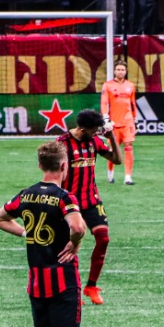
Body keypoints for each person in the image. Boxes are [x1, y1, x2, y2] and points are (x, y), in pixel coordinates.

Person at [0, 141, 87, 327]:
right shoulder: (64, 197)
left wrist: (27, 234)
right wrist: (74, 244)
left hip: (36, 279)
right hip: (62, 278)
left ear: (39, 165)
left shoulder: (26, 194)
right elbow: (78, 227)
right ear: (64, 166)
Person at [57, 109, 121, 305]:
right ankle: (72, 289)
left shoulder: (94, 141)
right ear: (83, 129)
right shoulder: (62, 144)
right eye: (94, 130)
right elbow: (55, 174)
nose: (96, 133)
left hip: (91, 199)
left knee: (103, 238)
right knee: (70, 245)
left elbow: (117, 160)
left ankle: (91, 287)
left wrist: (111, 138)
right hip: (69, 202)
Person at [101, 61, 138, 185]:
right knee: (113, 150)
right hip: (113, 123)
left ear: (126, 71)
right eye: (118, 69)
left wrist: (135, 119)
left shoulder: (130, 85)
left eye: (122, 69)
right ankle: (110, 173)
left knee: (129, 147)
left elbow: (132, 103)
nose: (120, 72)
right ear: (114, 71)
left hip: (128, 122)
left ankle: (128, 177)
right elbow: (104, 102)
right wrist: (105, 118)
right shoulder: (108, 85)